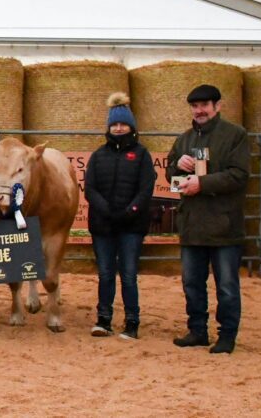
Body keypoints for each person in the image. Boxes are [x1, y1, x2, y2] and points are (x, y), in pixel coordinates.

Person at [167, 84, 250, 354]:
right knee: (192, 282)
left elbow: (238, 175)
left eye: (204, 105)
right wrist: (178, 167)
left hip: (225, 225)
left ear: (218, 106)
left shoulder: (235, 135)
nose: (199, 110)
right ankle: (198, 331)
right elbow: (171, 177)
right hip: (192, 225)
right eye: (195, 106)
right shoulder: (184, 139)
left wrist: (202, 183)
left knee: (226, 285)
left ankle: (227, 335)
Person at [84, 92, 156, 340]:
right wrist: (104, 209)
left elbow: (146, 188)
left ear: (131, 126)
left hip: (131, 227)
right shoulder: (98, 155)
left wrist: (130, 211)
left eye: (122, 124)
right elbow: (90, 187)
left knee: (128, 274)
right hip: (102, 225)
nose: (118, 128)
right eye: (114, 124)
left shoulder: (142, 155)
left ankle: (132, 322)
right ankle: (104, 320)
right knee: (105, 273)